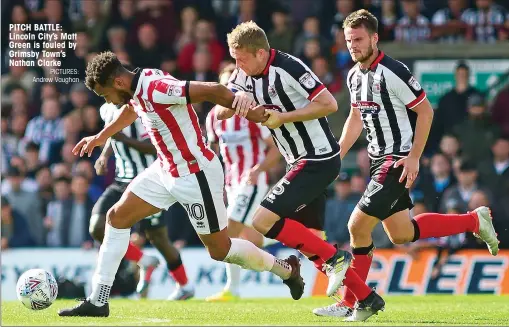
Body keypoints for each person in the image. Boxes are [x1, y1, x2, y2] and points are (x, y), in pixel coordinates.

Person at [58, 51, 304, 317]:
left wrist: (247, 108)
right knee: (116, 217)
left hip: (195, 174)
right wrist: (100, 136)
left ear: (117, 82)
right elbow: (132, 110)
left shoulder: (156, 86)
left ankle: (285, 268)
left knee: (221, 250)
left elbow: (213, 89)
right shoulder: (138, 87)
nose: (108, 101)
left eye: (105, 95)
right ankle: (98, 300)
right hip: (165, 170)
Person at [313, 9, 499, 321]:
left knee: (356, 227)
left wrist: (413, 157)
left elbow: (426, 112)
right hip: (376, 162)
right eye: (348, 41)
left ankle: (354, 301)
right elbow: (355, 116)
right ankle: (474, 221)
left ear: (374, 38)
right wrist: (338, 153)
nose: (353, 46)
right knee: (401, 234)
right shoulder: (353, 75)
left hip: (396, 161)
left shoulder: (393, 71)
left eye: (358, 39)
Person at [216, 21, 378, 308]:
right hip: (298, 163)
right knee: (312, 240)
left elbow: (330, 104)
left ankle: (337, 258)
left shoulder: (289, 67)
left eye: (241, 58)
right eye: (234, 58)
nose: (236, 64)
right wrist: (234, 98)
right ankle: (363, 299)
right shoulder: (243, 72)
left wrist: (283, 117)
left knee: (262, 221)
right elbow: (219, 113)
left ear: (261, 54)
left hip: (318, 158)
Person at [89, 101, 194, 301]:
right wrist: (104, 155)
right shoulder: (106, 108)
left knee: (158, 238)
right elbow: (112, 135)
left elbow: (155, 147)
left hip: (148, 182)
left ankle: (185, 285)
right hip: (121, 180)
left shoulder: (142, 109)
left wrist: (123, 138)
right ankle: (144, 260)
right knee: (97, 226)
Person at [204, 64, 281, 301]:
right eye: (225, 86)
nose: (229, 92)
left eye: (233, 87)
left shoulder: (252, 113)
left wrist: (258, 170)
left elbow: (275, 149)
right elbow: (212, 151)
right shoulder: (213, 117)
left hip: (252, 181)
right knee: (252, 238)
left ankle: (232, 289)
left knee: (228, 232)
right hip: (231, 183)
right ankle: (291, 239)